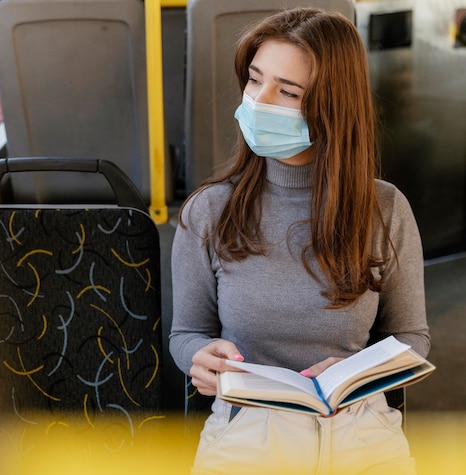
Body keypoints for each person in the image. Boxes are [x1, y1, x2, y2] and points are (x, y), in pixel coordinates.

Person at [169, 7, 430, 475]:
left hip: (360, 427)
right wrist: (197, 358)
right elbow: (185, 334)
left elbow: (412, 338)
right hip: (246, 431)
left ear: (332, 108)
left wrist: (359, 373)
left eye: (287, 91)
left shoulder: (385, 209)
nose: (259, 100)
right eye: (254, 80)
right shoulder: (207, 211)